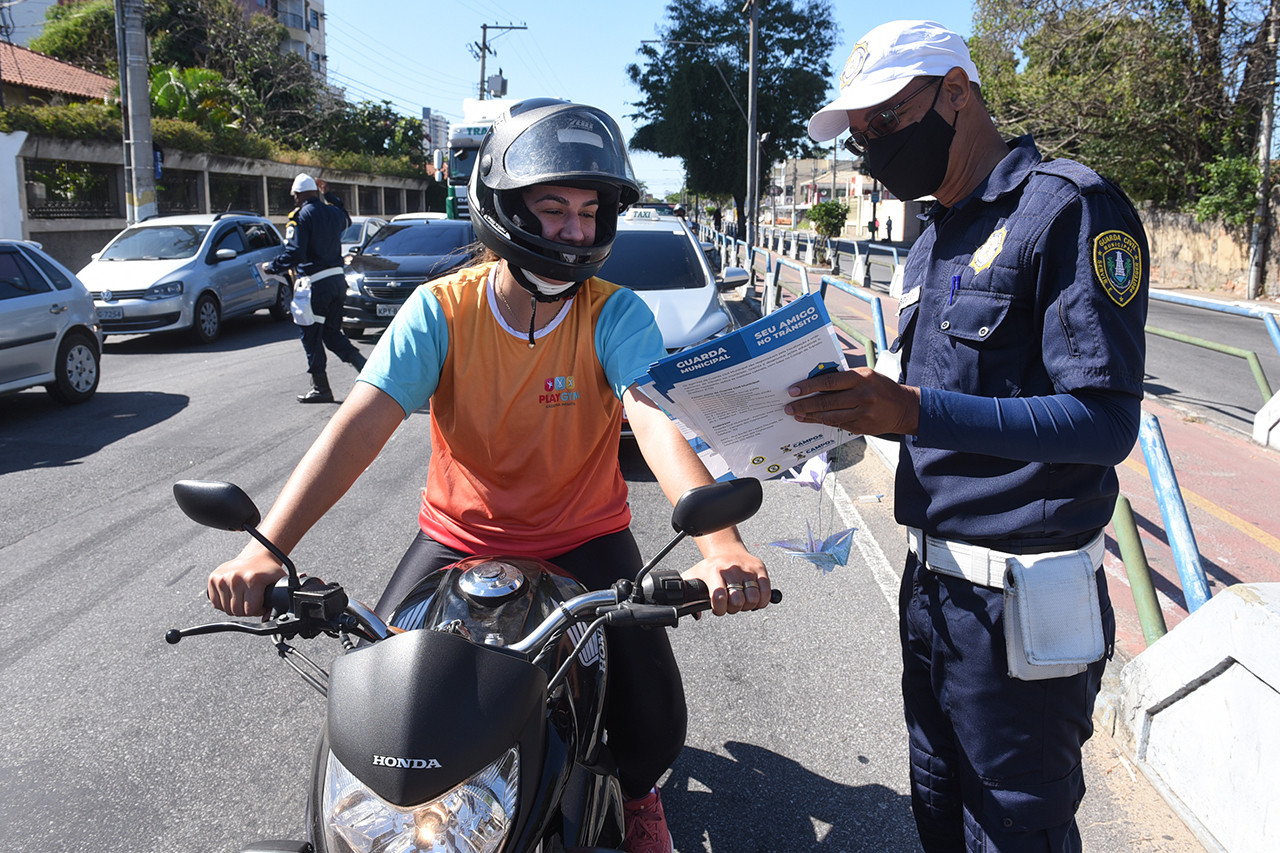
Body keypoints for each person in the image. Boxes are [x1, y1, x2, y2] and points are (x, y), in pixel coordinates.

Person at [207, 99, 771, 853]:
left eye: (588, 211)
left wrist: (720, 545)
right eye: (552, 209)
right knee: (388, 700)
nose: (575, 230)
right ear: (503, 209)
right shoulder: (440, 310)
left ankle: (636, 799)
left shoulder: (615, 313)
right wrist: (266, 548)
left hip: (586, 540)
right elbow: (357, 428)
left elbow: (652, 418)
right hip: (456, 538)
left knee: (653, 715)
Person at [788, 20, 1148, 853]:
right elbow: (931, 395)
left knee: (1014, 833)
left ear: (957, 91)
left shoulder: (1069, 208)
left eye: (884, 120)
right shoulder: (933, 235)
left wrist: (910, 410)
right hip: (935, 594)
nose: (871, 146)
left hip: (1024, 606)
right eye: (859, 134)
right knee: (938, 816)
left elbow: (1105, 422)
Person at [271, 172, 365, 403]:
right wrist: (330, 194)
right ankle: (368, 370)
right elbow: (346, 217)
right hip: (336, 282)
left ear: (300, 195)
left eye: (295, 195)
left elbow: (296, 252)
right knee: (332, 333)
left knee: (310, 335)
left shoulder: (300, 215)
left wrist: (272, 267)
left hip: (314, 285)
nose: (294, 199)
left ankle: (321, 388)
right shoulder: (333, 212)